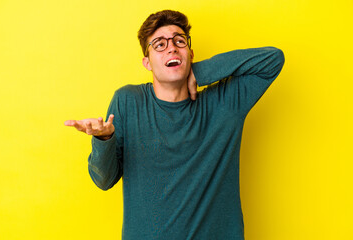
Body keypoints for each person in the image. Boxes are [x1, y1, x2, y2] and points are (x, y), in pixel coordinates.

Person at [65, 9, 284, 240]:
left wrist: (199, 70)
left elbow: (273, 60)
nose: (171, 48)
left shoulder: (224, 104)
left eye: (179, 41)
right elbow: (104, 180)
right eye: (159, 44)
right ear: (146, 62)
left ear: (190, 53)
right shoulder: (128, 101)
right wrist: (104, 140)